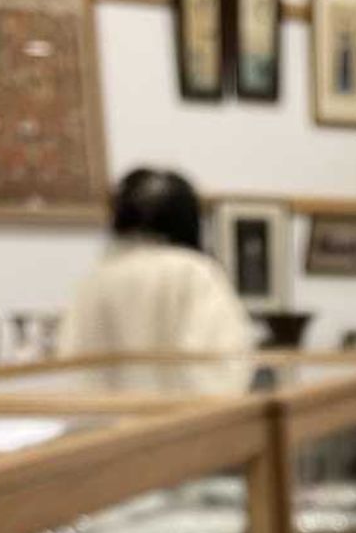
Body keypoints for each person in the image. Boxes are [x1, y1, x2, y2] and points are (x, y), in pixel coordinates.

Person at [60, 168, 254, 394]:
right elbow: (226, 359)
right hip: (182, 420)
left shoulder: (100, 277)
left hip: (113, 422)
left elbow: (73, 359)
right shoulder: (196, 272)